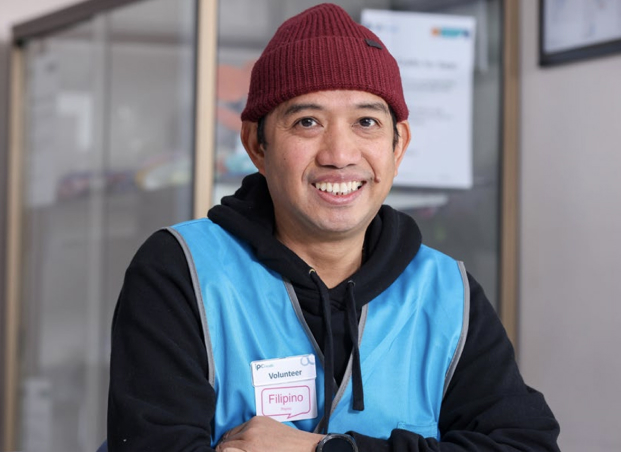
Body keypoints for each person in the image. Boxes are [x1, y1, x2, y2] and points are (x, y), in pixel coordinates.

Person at [107, 3, 560, 451]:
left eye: (366, 122)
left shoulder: (445, 291)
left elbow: (526, 445)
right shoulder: (182, 272)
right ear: (256, 145)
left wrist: (323, 450)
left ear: (398, 144)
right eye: (308, 122)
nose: (339, 154)